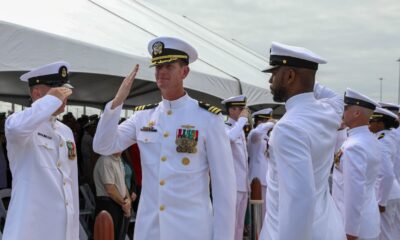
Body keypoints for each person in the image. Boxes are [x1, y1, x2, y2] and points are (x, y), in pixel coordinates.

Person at [93, 36, 236, 240]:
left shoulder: (207, 118)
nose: (161, 72)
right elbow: (103, 146)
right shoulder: (143, 117)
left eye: (169, 66)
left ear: (184, 72)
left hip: (191, 231)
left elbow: (224, 188)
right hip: (150, 230)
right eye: (158, 66)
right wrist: (117, 102)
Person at [259, 42, 345, 240]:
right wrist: (307, 77)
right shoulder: (328, 111)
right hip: (327, 228)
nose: (271, 80)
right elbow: (336, 98)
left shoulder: (288, 128)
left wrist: (307, 77)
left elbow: (300, 200)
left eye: (274, 73)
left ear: (289, 76)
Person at [3, 61, 79, 240]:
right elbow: (16, 128)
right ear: (37, 94)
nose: (64, 96)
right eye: (59, 91)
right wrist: (51, 101)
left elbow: (71, 183)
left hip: (63, 230)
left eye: (65, 90)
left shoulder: (65, 131)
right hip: (32, 229)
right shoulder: (19, 124)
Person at [332, 88, 381, 240]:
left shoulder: (354, 146)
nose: (343, 111)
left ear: (357, 113)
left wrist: (350, 231)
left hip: (354, 228)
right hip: (366, 219)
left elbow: (354, 192)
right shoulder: (369, 139)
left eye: (346, 108)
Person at [221, 95, 250, 240]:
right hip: (232, 184)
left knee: (239, 224)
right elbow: (230, 138)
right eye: (237, 109)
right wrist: (243, 120)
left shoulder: (239, 128)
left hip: (243, 183)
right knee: (230, 223)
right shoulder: (225, 127)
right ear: (230, 110)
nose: (241, 112)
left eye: (242, 109)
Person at [369, 107, 400, 240]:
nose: (369, 124)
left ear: (381, 124)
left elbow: (387, 173)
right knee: (392, 230)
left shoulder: (382, 142)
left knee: (384, 233)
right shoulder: (387, 136)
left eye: (372, 121)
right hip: (390, 191)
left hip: (385, 194)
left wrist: (382, 201)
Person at [93, 152, 132, 240]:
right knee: (108, 236)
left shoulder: (119, 160)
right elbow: (110, 189)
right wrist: (124, 204)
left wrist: (128, 201)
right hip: (108, 204)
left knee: (118, 236)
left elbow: (123, 184)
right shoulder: (105, 160)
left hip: (118, 203)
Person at [247, 108, 274, 219]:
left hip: (268, 179)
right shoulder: (254, 136)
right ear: (259, 122)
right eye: (265, 121)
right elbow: (257, 132)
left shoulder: (268, 138)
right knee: (258, 214)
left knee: (267, 213)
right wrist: (269, 124)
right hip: (257, 179)